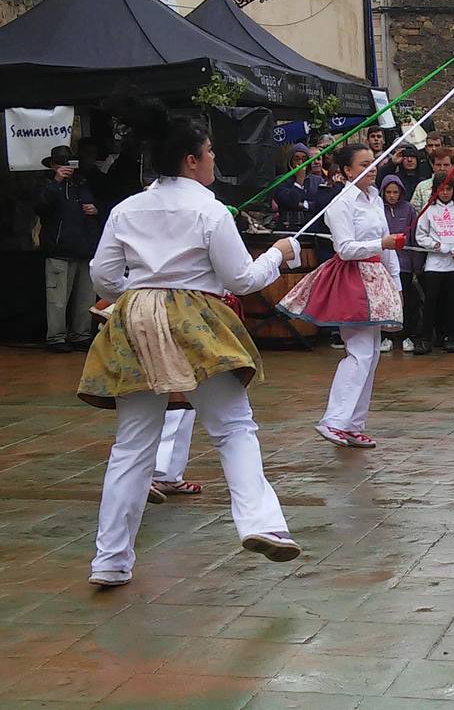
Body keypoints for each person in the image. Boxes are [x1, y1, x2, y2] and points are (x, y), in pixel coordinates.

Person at [79, 110, 302, 587]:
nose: (214, 159)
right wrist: (279, 254)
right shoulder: (209, 210)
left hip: (134, 318)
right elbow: (240, 280)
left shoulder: (127, 209)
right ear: (190, 159)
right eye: (209, 152)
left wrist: (136, 295)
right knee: (234, 427)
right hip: (196, 320)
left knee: (132, 445)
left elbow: (103, 276)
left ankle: (110, 560)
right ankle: (262, 524)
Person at [278, 143, 405, 448]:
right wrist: (382, 244)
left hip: (376, 278)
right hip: (352, 278)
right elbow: (344, 248)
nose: (371, 168)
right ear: (346, 171)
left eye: (372, 163)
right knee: (359, 352)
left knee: (371, 355)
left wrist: (396, 284)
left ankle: (352, 423)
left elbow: (389, 248)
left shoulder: (374, 199)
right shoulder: (341, 203)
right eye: (363, 165)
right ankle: (334, 420)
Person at [34, 145, 101, 353]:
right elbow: (40, 206)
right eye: (62, 163)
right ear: (53, 165)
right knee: (57, 299)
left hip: (84, 249)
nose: (67, 167)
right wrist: (56, 181)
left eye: (70, 163)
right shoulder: (46, 184)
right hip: (59, 250)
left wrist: (95, 209)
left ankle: (81, 335)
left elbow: (95, 206)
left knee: (85, 298)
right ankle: (56, 337)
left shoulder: (81, 183)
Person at [416, 174, 454, 352]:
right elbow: (420, 235)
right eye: (441, 189)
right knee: (431, 303)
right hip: (435, 264)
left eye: (448, 189)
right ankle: (428, 338)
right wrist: (436, 246)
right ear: (435, 190)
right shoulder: (429, 209)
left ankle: (452, 337)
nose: (445, 193)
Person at [381, 175, 426, 354]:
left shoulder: (408, 209)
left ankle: (406, 335)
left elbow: (414, 238)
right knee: (385, 302)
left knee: (406, 301)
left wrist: (417, 265)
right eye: (388, 192)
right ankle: (386, 336)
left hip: (404, 264)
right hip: (383, 264)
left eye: (395, 192)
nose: (392, 196)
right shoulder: (378, 208)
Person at [274, 143, 325, 231]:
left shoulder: (318, 181)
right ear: (290, 161)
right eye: (296, 159)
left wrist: (304, 205)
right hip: (288, 228)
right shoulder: (281, 181)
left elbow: (321, 204)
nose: (300, 163)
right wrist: (299, 180)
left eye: (304, 159)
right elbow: (290, 202)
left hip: (312, 228)